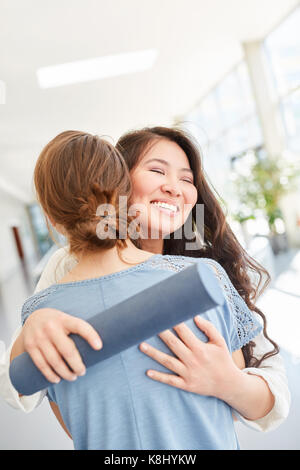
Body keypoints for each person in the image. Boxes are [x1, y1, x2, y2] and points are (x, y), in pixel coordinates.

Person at [1, 127, 290, 434]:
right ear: (117, 183)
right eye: (156, 170)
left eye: (187, 179)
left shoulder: (207, 271)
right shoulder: (67, 267)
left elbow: (275, 400)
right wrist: (31, 328)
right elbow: (24, 387)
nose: (174, 188)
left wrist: (229, 384)